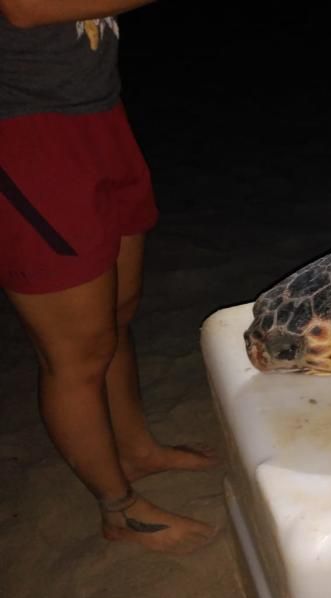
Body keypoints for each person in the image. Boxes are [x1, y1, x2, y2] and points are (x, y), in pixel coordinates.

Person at [0, 0, 218, 553]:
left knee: (118, 311)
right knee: (76, 353)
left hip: (95, 111)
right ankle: (117, 509)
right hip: (22, 128)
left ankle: (136, 450)